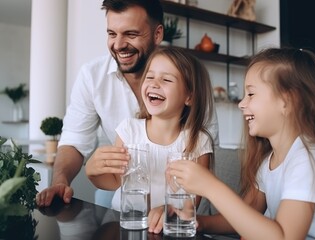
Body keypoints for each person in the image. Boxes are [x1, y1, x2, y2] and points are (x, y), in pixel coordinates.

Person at [34, 0, 219, 208]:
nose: (119, 45)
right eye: (112, 34)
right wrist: (62, 180)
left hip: (182, 216)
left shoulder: (190, 78)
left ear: (157, 34)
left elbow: (203, 160)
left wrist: (176, 211)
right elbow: (75, 140)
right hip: (126, 207)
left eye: (131, 34)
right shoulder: (92, 76)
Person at [167, 47, 315, 239]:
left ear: (287, 100)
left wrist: (210, 186)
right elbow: (246, 216)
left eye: (251, 94)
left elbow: (284, 237)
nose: (242, 103)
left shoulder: (310, 159)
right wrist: (200, 222)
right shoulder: (269, 163)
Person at [85, 46, 215, 234]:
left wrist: (168, 211)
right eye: (150, 77)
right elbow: (114, 181)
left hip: (167, 230)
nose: (154, 84)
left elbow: (190, 204)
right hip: (123, 223)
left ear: (189, 96)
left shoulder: (198, 141)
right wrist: (92, 172)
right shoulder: (129, 130)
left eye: (166, 79)